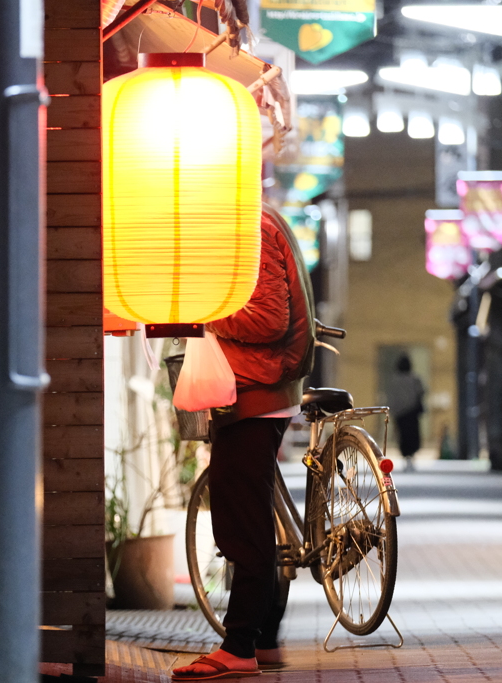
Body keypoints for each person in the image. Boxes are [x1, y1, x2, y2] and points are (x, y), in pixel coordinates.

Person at [172, 206, 315, 681]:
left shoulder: (247, 225)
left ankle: (238, 648)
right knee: (253, 514)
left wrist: (204, 317)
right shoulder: (252, 219)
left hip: (256, 389)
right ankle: (265, 639)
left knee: (242, 523)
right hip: (254, 390)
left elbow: (268, 320)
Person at [386, 355, 425, 472]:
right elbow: (422, 392)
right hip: (412, 413)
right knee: (413, 435)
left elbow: (391, 397)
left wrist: (392, 411)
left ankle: (405, 457)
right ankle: (412, 457)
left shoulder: (394, 380)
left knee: (403, 436)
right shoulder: (415, 379)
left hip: (400, 414)